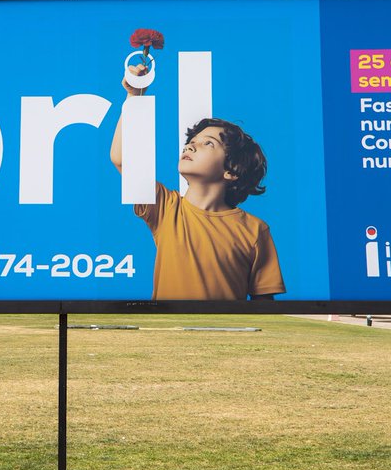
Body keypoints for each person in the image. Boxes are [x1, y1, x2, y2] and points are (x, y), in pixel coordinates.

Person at [109, 63, 284, 300]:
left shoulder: (255, 230)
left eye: (208, 143)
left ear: (231, 171)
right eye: (192, 141)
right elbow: (122, 160)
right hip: (167, 336)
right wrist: (134, 96)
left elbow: (264, 305)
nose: (190, 145)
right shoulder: (166, 208)